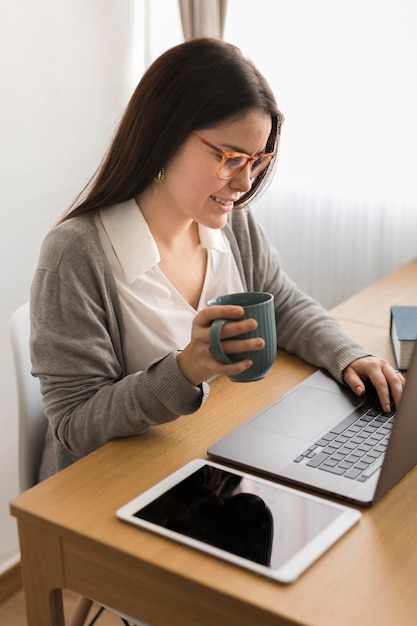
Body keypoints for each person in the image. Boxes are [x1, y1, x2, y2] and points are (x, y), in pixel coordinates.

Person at [30, 38, 405, 481]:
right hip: (106, 490)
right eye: (229, 158)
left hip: (205, 460)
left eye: (257, 160)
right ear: (164, 136)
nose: (245, 182)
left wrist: (347, 356)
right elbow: (76, 424)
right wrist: (186, 370)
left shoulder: (230, 223)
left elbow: (282, 303)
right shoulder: (77, 255)